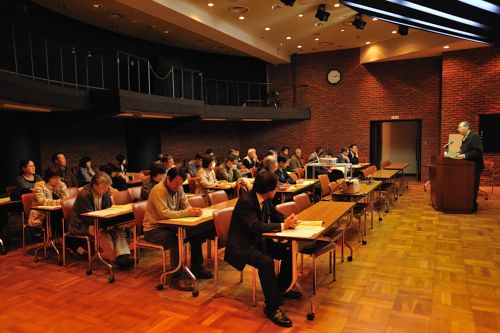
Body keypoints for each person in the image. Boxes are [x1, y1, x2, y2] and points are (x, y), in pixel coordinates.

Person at [225, 171, 300, 328]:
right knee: (266, 262)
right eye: (275, 187)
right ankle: (272, 308)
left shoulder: (264, 198)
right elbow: (255, 226)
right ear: (269, 190)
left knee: (288, 250)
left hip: (257, 241)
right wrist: (281, 226)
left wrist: (288, 221)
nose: (277, 190)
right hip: (241, 245)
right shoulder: (246, 201)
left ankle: (280, 289)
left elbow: (275, 214)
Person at [143, 167, 213, 291]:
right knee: (174, 240)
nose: (178, 186)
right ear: (168, 179)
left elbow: (185, 205)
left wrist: (192, 210)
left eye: (181, 183)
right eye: (176, 183)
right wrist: (187, 213)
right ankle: (176, 279)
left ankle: (197, 267)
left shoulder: (179, 188)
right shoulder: (158, 190)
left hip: (171, 225)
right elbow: (164, 214)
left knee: (195, 233)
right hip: (154, 229)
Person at [68, 172, 133, 269]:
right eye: (104, 188)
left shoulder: (105, 192)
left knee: (116, 229)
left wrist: (110, 222)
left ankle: (124, 255)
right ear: (94, 185)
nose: (106, 190)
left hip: (99, 220)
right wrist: (105, 224)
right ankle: (114, 258)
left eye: (107, 187)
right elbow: (88, 217)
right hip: (81, 225)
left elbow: (108, 209)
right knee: (101, 231)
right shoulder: (84, 195)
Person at [456, 121, 484, 212]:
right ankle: (467, 203)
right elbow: (465, 150)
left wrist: (464, 156)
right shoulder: (465, 138)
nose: (458, 129)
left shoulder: (474, 136)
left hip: (474, 167)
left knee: (473, 186)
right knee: (467, 186)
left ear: (466, 127)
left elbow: (477, 151)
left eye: (460, 127)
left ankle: (472, 206)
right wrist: (459, 153)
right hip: (466, 168)